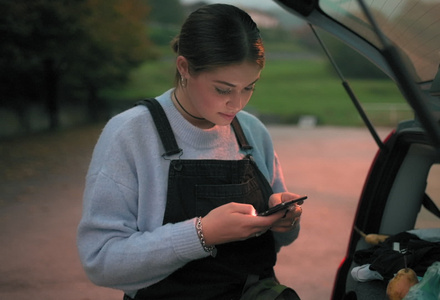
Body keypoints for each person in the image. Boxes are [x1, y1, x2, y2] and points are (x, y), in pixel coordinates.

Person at [77, 4, 303, 300]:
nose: (237, 104)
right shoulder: (130, 134)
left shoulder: (252, 132)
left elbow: (282, 239)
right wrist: (201, 234)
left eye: (249, 88)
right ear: (184, 68)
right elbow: (101, 261)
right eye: (223, 89)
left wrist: (284, 221)